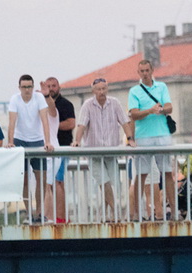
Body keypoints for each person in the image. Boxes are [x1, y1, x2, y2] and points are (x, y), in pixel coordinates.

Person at [72, 77, 135, 221]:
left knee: (110, 183)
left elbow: (125, 122)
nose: (101, 92)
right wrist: (77, 141)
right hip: (93, 152)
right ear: (93, 91)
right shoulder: (87, 105)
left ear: (107, 89)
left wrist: (130, 139)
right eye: (98, 89)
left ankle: (105, 215)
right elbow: (81, 125)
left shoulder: (115, 103)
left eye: (103, 88)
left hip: (111, 151)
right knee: (104, 182)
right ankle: (116, 212)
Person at [128, 59, 176, 221]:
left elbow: (169, 106)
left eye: (147, 70)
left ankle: (175, 211)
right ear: (138, 73)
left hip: (162, 135)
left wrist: (160, 110)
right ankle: (135, 212)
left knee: (167, 172)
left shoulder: (162, 87)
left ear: (152, 70)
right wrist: (149, 111)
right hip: (144, 136)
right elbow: (133, 113)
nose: (145, 74)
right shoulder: (134, 91)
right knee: (141, 174)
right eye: (142, 71)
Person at [7, 74, 54, 224]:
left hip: (38, 141)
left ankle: (39, 214)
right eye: (24, 87)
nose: (27, 90)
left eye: (29, 87)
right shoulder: (15, 99)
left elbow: (45, 120)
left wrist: (47, 141)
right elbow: (12, 122)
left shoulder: (39, 98)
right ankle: (29, 213)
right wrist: (10, 141)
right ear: (19, 87)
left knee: (42, 179)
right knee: (24, 180)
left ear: (33, 87)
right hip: (20, 140)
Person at [44, 77, 75, 222]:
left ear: (59, 87)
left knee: (58, 182)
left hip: (62, 147)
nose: (51, 88)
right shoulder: (42, 105)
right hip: (48, 149)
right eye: (48, 86)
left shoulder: (66, 104)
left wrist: (51, 126)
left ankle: (61, 218)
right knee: (48, 183)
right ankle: (49, 215)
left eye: (53, 86)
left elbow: (71, 123)